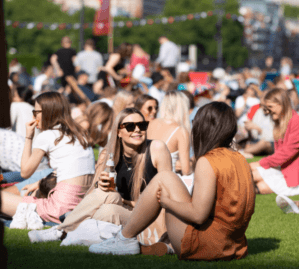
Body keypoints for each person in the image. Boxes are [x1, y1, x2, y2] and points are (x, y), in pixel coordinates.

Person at [88, 102, 256, 260]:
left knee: (163, 178)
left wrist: (166, 202)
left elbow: (198, 215)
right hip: (235, 245)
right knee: (168, 178)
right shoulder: (240, 159)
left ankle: (124, 239)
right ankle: (164, 245)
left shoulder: (208, 161)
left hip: (208, 245)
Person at [27, 108, 172, 243]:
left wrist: (125, 201)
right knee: (105, 204)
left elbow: (167, 197)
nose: (137, 130)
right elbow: (93, 192)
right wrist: (100, 185)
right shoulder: (108, 154)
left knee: (108, 201)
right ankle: (71, 232)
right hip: (120, 211)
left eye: (142, 125)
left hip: (147, 216)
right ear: (118, 132)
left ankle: (62, 230)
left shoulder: (156, 149)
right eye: (130, 126)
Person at [1, 92, 95, 229]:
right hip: (80, 206)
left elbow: (25, 172)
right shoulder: (79, 135)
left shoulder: (47, 136)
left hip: (60, 208)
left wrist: (29, 137)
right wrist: (39, 182)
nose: (33, 117)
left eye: (36, 112)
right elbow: (70, 169)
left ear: (47, 112)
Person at [249, 88, 299, 196]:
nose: (267, 111)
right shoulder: (280, 125)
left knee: (262, 186)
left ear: (282, 104)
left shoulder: (298, 122)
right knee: (252, 174)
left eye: (270, 107)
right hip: (287, 172)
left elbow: (286, 153)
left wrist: (260, 163)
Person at [147, 91, 191, 176]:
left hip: (148, 177)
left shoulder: (151, 123)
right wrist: (193, 165)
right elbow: (186, 170)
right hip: (167, 180)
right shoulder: (180, 131)